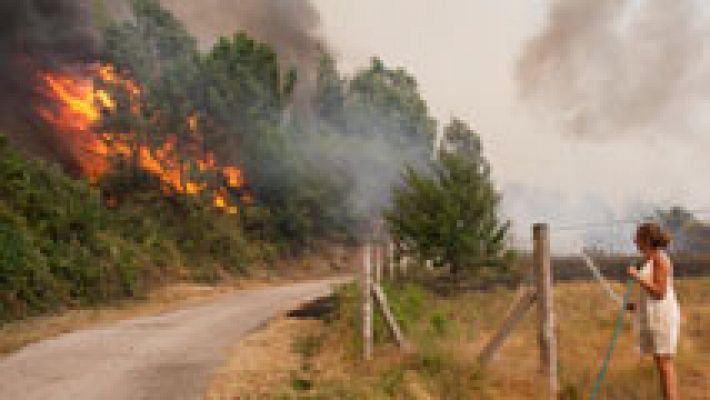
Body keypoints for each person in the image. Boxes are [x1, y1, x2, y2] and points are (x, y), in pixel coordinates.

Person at [627, 222, 681, 400]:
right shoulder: (652, 259)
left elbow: (660, 292)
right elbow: (652, 294)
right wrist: (636, 306)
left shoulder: (660, 259)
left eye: (638, 238)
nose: (635, 242)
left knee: (665, 363)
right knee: (661, 362)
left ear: (647, 240)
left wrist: (637, 277)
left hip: (662, 317)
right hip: (656, 314)